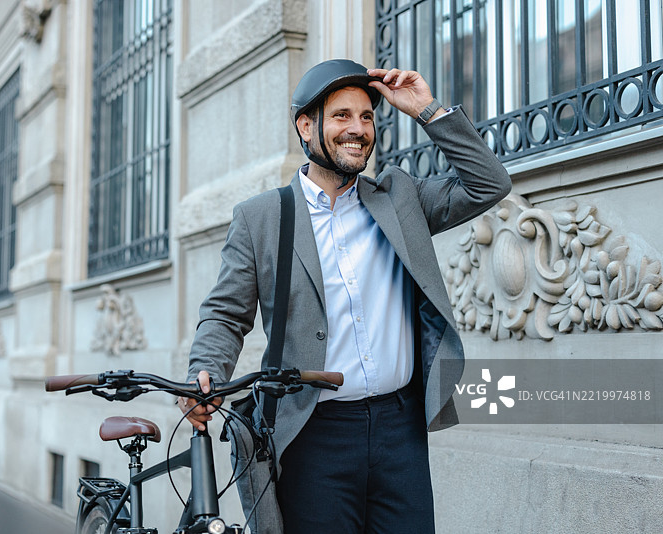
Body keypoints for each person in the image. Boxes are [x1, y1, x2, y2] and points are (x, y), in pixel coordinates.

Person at [178, 59, 511, 533]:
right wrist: (204, 372)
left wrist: (426, 109)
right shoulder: (262, 218)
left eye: (367, 117)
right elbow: (226, 315)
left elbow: (489, 183)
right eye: (341, 116)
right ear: (306, 126)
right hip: (314, 435)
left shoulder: (400, 199)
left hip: (401, 432)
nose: (358, 129)